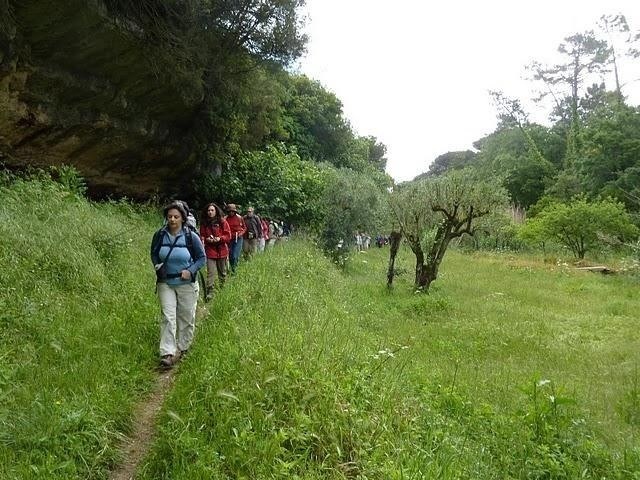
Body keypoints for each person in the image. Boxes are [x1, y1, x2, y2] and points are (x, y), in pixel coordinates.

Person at [151, 202, 206, 368]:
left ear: (183, 218)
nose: (172, 219)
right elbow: (154, 253)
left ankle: (184, 348)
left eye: (176, 217)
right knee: (168, 316)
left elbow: (201, 258)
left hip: (186, 283)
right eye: (169, 217)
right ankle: (167, 353)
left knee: (186, 316)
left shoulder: (191, 237)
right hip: (165, 282)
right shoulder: (160, 235)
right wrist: (157, 266)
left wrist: (190, 270)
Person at [200, 203, 231, 302]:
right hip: (210, 251)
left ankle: (223, 289)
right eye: (208, 210)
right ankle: (210, 292)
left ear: (216, 211)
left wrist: (219, 238)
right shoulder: (204, 223)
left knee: (222, 272)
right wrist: (208, 239)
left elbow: (228, 236)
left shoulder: (222, 222)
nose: (210, 212)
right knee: (210, 272)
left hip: (222, 250)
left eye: (212, 210)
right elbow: (202, 236)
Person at [225, 203, 246, 273]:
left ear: (235, 211)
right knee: (230, 256)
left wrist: (241, 233)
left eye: (232, 211)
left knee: (235, 255)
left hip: (238, 239)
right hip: (229, 239)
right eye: (229, 211)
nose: (231, 212)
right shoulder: (225, 219)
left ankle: (234, 270)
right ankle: (232, 268)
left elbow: (244, 228)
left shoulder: (240, 218)